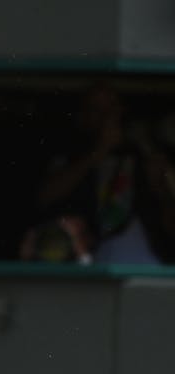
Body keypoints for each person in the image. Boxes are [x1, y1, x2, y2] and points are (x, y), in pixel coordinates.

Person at [32, 84, 175, 265]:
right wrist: (100, 151)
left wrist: (160, 187)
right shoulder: (70, 154)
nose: (107, 117)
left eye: (112, 107)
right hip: (86, 262)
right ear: (82, 116)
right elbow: (44, 196)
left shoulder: (142, 153)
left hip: (146, 263)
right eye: (97, 109)